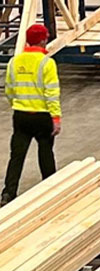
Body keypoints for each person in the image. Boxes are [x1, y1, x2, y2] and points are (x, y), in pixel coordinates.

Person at [3, 23, 61, 204]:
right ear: (44, 40)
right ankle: (50, 189)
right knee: (45, 152)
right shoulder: (47, 63)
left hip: (20, 116)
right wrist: (56, 118)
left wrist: (18, 104)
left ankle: (8, 193)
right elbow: (51, 92)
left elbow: (9, 90)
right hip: (42, 116)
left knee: (17, 156)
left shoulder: (15, 61)